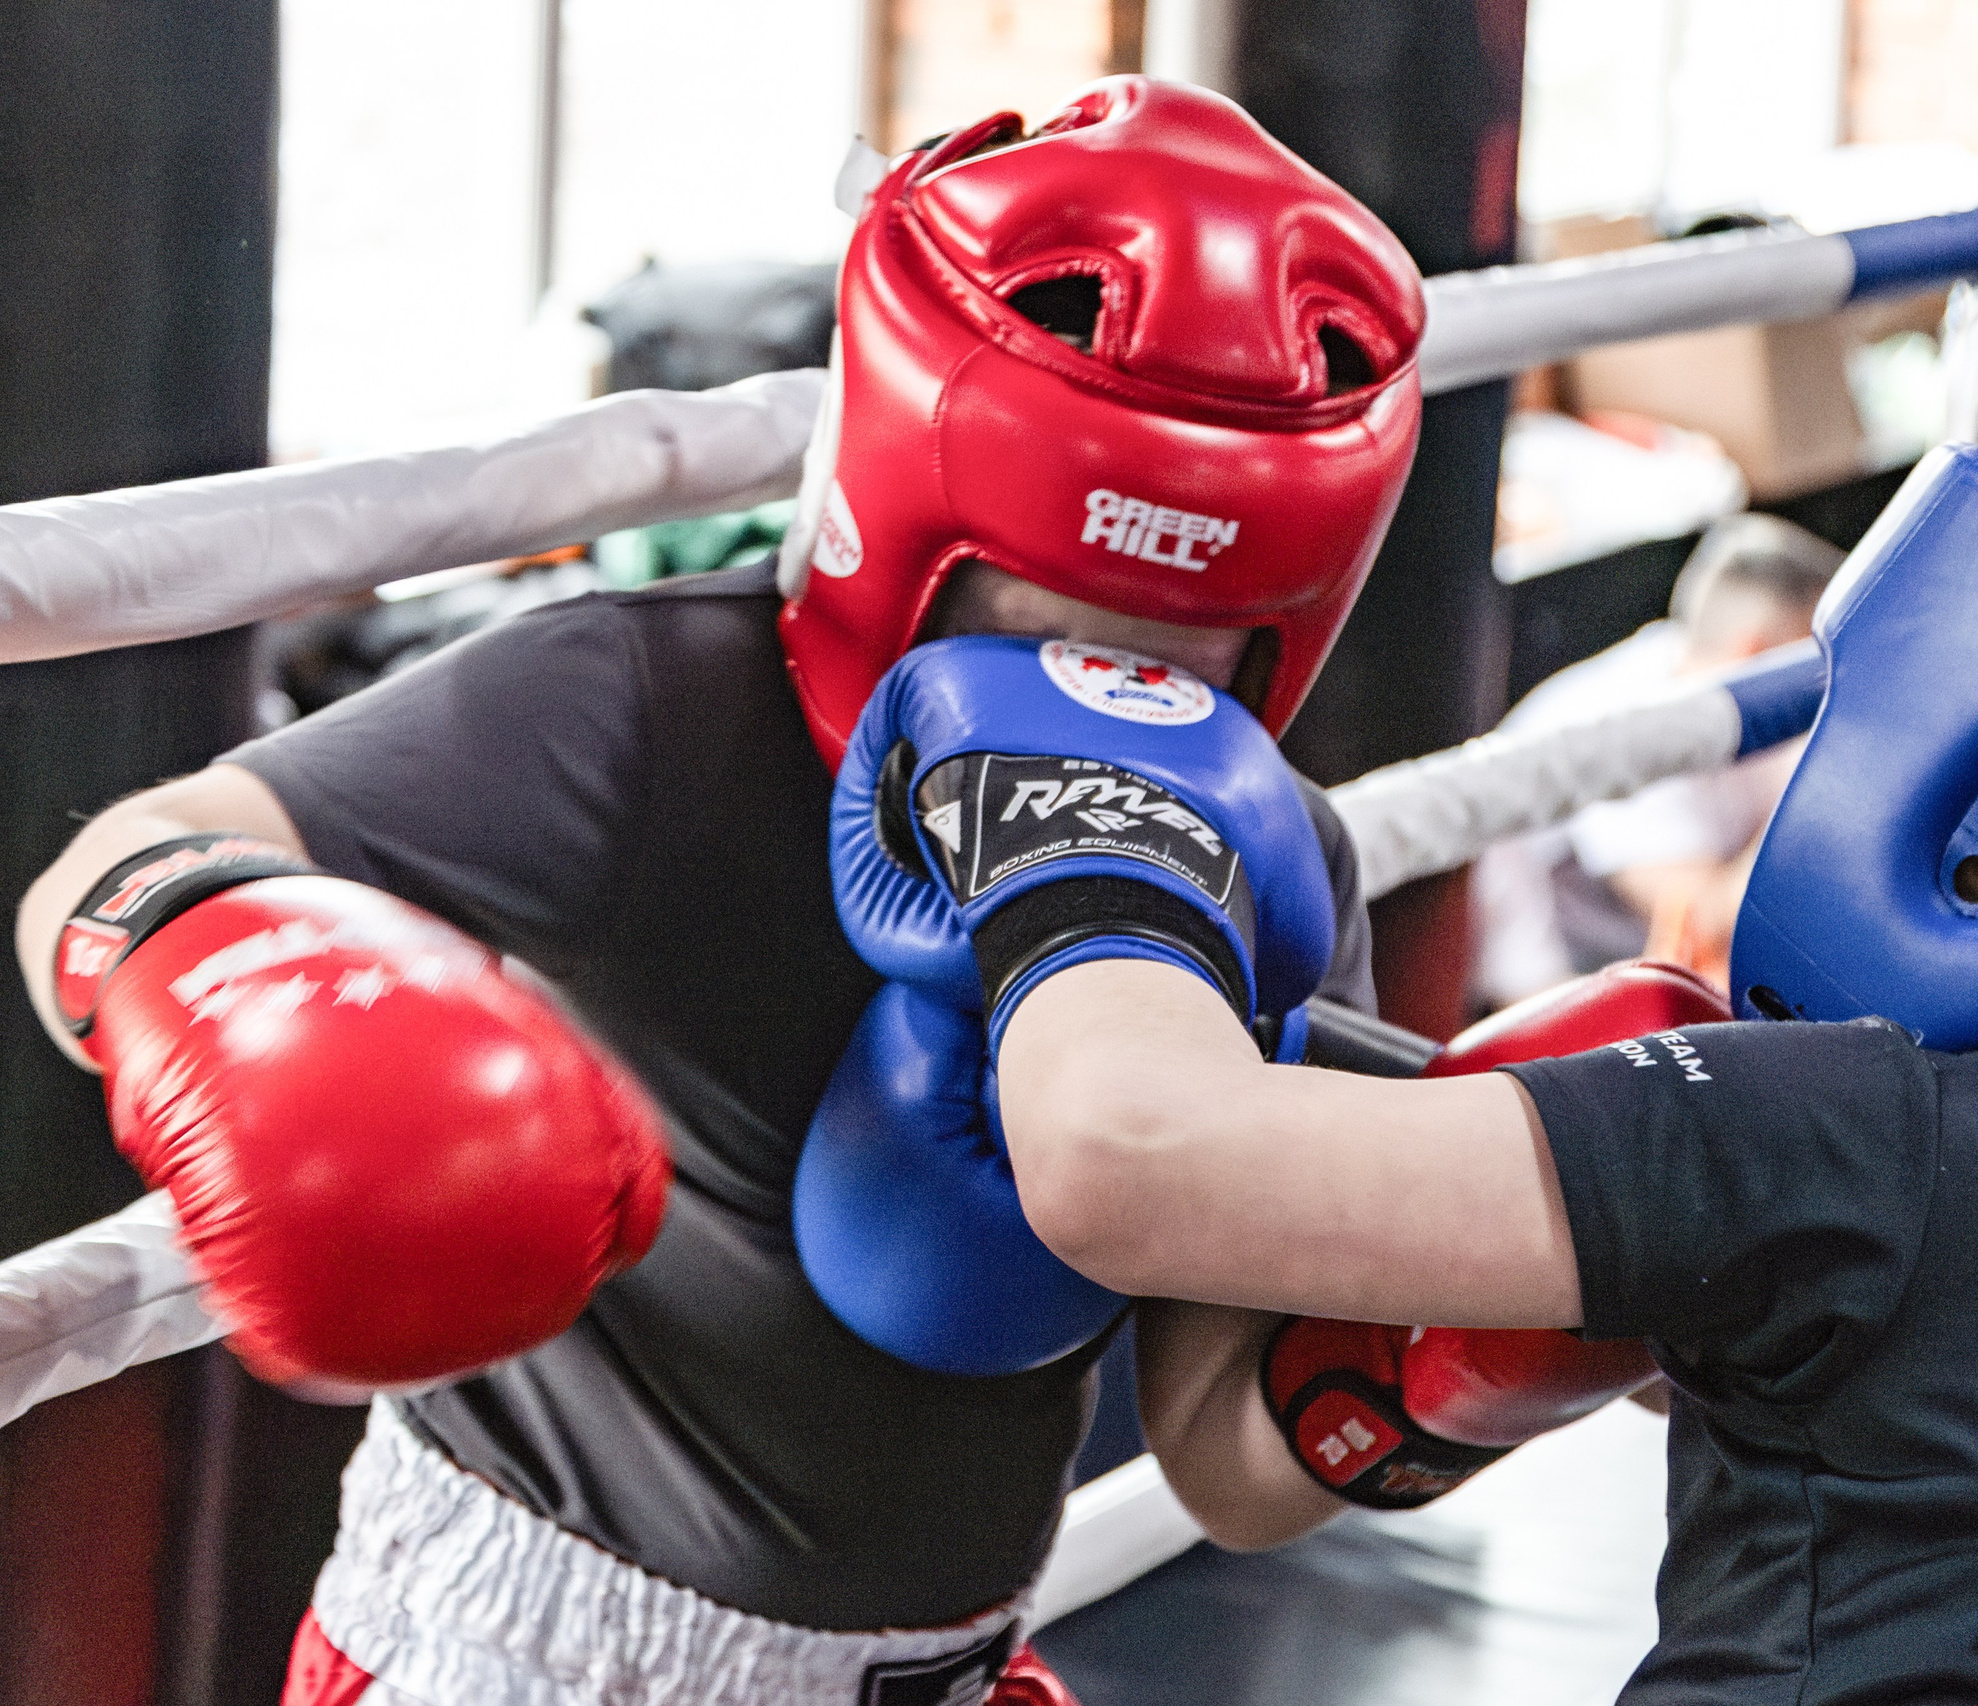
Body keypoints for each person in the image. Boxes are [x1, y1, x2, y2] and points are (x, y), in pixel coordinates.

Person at [14, 77, 1427, 1706]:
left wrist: (1463, 1366)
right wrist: (264, 987)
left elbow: (1225, 1453)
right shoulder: (646, 711)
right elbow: (111, 865)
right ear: (902, 521)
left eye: (1185, 656)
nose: (1093, 709)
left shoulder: (1268, 866)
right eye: (1041, 625)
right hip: (526, 1667)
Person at [822, 438, 1978, 1706]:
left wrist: (1101, 832)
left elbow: (1124, 1148)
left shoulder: (1864, 1149)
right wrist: (1261, 994)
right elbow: (1237, 1465)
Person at [1473, 514, 1842, 1003]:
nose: (1831, 687)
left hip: (1626, 969)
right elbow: (1700, 926)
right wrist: (1822, 795)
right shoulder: (1633, 723)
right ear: (1757, 652)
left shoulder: (1711, 681)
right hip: (1540, 995)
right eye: (1817, 665)